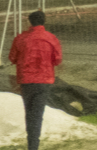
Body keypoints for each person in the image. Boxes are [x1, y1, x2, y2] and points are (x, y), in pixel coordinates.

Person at [9, 10, 63, 150]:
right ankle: (34, 145)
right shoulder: (51, 38)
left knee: (29, 112)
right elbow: (57, 60)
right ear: (44, 21)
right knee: (37, 113)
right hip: (44, 80)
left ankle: (31, 143)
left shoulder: (21, 38)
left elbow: (12, 58)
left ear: (29, 22)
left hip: (26, 80)